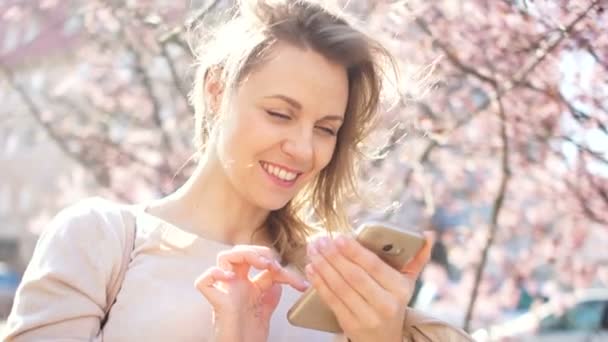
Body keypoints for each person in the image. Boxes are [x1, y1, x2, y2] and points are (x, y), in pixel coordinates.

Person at [4, 1, 473, 341]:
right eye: (280, 114)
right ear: (215, 90)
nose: (302, 149)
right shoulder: (101, 239)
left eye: (326, 129)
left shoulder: (329, 286)